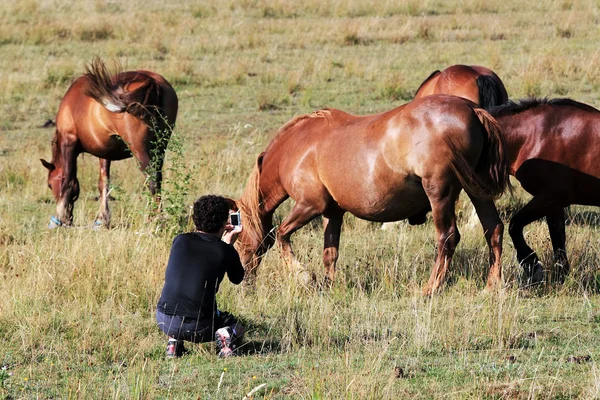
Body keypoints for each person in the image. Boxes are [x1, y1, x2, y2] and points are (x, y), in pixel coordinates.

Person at [156, 195, 245, 358]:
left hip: (164, 319)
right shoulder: (225, 250)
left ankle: (174, 342)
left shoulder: (180, 240)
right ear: (224, 223)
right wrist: (229, 244)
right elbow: (237, 278)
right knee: (237, 326)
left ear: (195, 219)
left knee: (180, 301)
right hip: (200, 326)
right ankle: (225, 338)